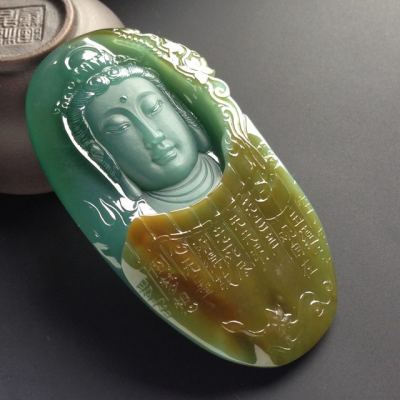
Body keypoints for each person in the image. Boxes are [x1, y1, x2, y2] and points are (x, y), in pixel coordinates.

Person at [60, 45, 222, 213]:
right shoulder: (136, 224)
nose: (154, 136)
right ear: (100, 153)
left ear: (178, 108)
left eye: (153, 108)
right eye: (120, 127)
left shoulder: (236, 155)